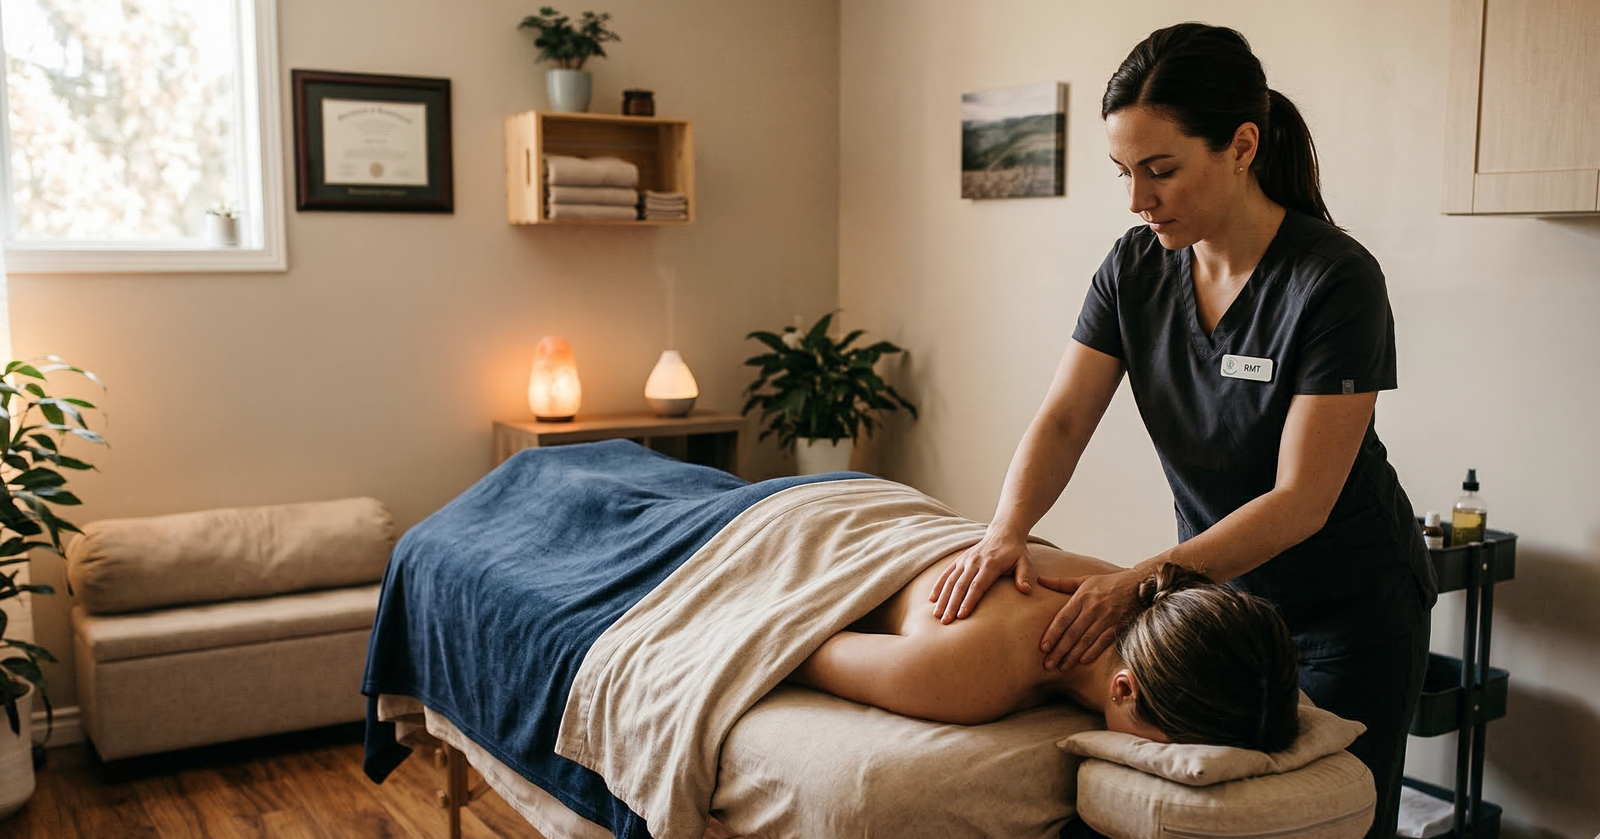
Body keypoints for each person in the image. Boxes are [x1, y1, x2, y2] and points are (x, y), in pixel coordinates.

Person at [925, 23, 1436, 839]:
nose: (1138, 198)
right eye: (1124, 172)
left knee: (1330, 819)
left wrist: (1136, 580)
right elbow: (1062, 419)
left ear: (1241, 146)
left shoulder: (1333, 279)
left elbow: (1302, 499)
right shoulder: (1134, 269)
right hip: (1213, 603)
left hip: (1347, 609)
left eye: (1160, 170)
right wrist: (1005, 531)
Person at [793, 549, 1301, 753]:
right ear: (1124, 688)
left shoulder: (1137, 592)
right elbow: (796, 645)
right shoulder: (968, 677)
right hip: (753, 522)